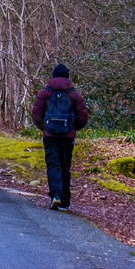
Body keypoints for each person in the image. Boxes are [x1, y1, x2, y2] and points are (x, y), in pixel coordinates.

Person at [31, 63, 89, 211]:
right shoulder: (74, 94)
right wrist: (73, 128)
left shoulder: (45, 92)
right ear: (67, 77)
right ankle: (65, 202)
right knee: (65, 166)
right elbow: (83, 116)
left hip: (50, 134)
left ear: (54, 75)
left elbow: (36, 114)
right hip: (67, 136)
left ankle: (55, 195)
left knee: (53, 164)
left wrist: (43, 127)